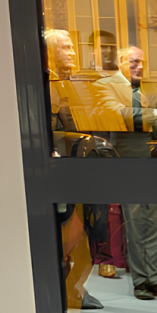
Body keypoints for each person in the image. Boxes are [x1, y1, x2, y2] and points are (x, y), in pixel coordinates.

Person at [93, 47, 157, 300]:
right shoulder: (106, 85)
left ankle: (154, 279)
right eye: (134, 61)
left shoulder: (150, 88)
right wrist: (155, 114)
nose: (140, 66)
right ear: (120, 63)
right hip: (130, 164)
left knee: (156, 224)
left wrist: (154, 115)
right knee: (137, 224)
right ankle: (140, 281)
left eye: (142, 61)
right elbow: (117, 114)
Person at [46, 29, 116, 282]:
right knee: (67, 233)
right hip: (63, 169)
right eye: (65, 47)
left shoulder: (75, 84)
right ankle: (66, 288)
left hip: (86, 166)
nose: (73, 52)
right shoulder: (44, 86)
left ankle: (75, 288)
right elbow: (46, 132)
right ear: (48, 53)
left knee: (90, 227)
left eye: (72, 47)